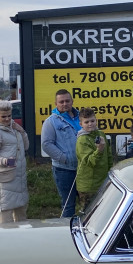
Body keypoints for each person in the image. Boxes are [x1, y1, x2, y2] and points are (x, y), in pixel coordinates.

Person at [0, 100, 29, 224]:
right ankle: (4, 239)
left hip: (19, 175)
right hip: (5, 177)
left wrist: (21, 131)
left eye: (9, 116)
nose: (7, 119)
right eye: (3, 116)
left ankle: (22, 239)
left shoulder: (13, 127)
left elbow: (26, 147)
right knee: (6, 211)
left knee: (21, 208)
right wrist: (6, 161)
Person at [41, 89, 81, 217]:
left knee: (88, 203)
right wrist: (65, 158)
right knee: (68, 205)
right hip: (64, 170)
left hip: (84, 169)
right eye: (61, 101)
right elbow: (46, 144)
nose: (65, 104)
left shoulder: (82, 118)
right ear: (56, 103)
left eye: (67, 101)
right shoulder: (50, 122)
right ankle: (65, 232)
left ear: (72, 101)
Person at [74, 107, 112, 214]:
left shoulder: (101, 134)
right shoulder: (82, 140)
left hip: (103, 181)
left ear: (96, 120)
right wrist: (99, 150)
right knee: (88, 214)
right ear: (81, 124)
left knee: (101, 212)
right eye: (87, 122)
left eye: (92, 121)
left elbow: (108, 155)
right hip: (88, 186)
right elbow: (90, 162)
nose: (90, 124)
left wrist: (110, 173)